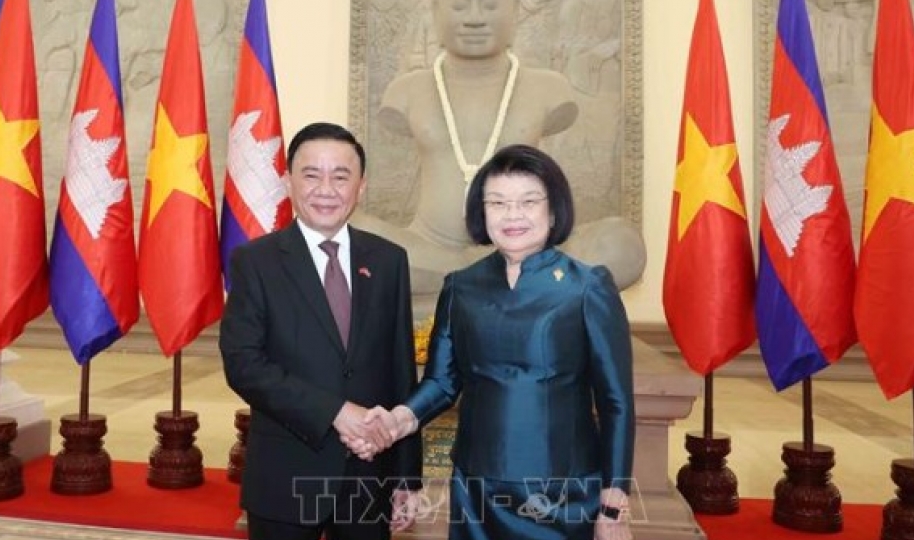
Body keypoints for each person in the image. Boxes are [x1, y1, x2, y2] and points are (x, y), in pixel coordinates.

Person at [354, 144, 636, 540]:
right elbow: (441, 382)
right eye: (498, 202)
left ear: (553, 210)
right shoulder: (461, 286)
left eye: (528, 201)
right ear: (481, 212)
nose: (513, 214)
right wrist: (399, 419)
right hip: (478, 487)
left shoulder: (587, 287)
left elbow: (616, 402)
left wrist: (613, 502)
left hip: (563, 490)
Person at [353, 0, 646, 298]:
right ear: (435, 12)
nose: (474, 19)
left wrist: (522, 252)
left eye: (491, 6)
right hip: (427, 247)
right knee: (350, 235)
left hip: (524, 249)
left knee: (621, 245)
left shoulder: (549, 88)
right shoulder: (405, 91)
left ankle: (468, 279)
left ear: (516, 11)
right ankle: (488, 277)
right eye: (459, 7)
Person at [219, 122, 422, 540]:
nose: (325, 189)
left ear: (361, 186)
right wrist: (334, 412)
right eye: (311, 174)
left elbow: (401, 372)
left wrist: (406, 477)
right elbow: (244, 365)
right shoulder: (255, 262)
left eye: (341, 176)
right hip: (286, 474)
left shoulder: (388, 261)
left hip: (369, 475)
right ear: (289, 181)